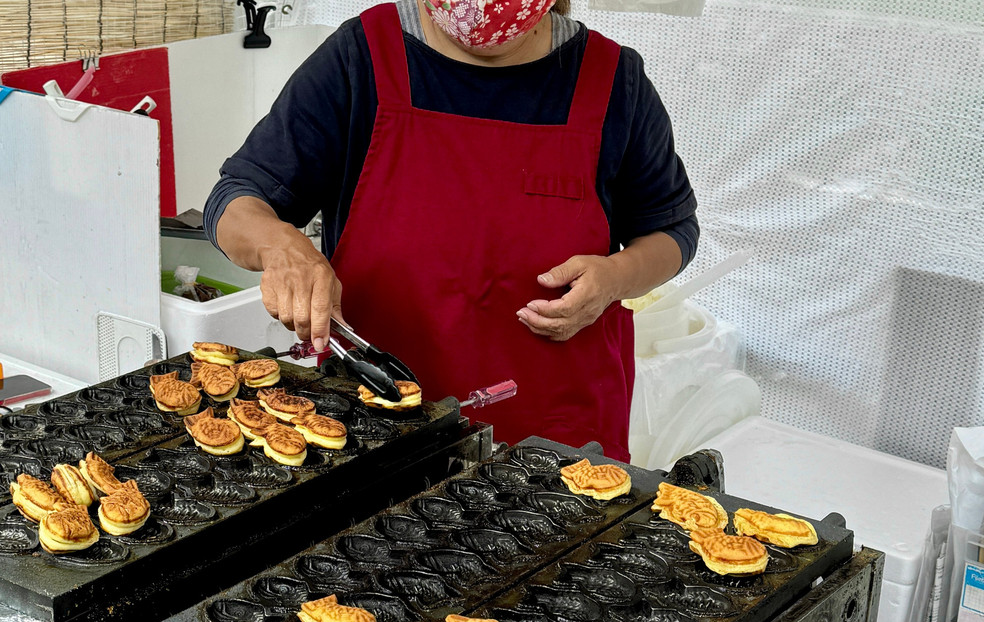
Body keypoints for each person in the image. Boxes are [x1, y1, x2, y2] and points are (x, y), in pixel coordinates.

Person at [205, 0, 698, 461]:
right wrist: (280, 245)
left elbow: (671, 229)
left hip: (557, 443)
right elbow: (234, 202)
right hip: (376, 428)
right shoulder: (363, 56)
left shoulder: (611, 79)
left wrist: (617, 276)